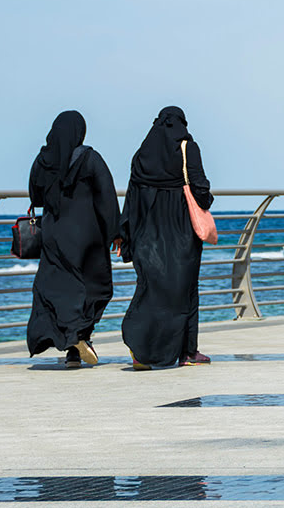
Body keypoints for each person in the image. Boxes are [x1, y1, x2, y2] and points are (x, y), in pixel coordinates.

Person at [118, 106, 213, 370]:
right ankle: (187, 352)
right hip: (181, 233)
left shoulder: (142, 155)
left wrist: (124, 234)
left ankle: (139, 347)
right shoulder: (187, 148)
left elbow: (132, 198)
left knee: (150, 290)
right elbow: (200, 186)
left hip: (146, 235)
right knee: (184, 292)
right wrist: (206, 203)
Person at [26, 110, 121, 368]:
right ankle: (80, 339)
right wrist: (116, 232)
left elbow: (34, 194)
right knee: (94, 288)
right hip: (88, 237)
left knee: (58, 290)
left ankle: (72, 349)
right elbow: (107, 197)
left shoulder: (43, 158)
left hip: (54, 235)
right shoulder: (89, 158)